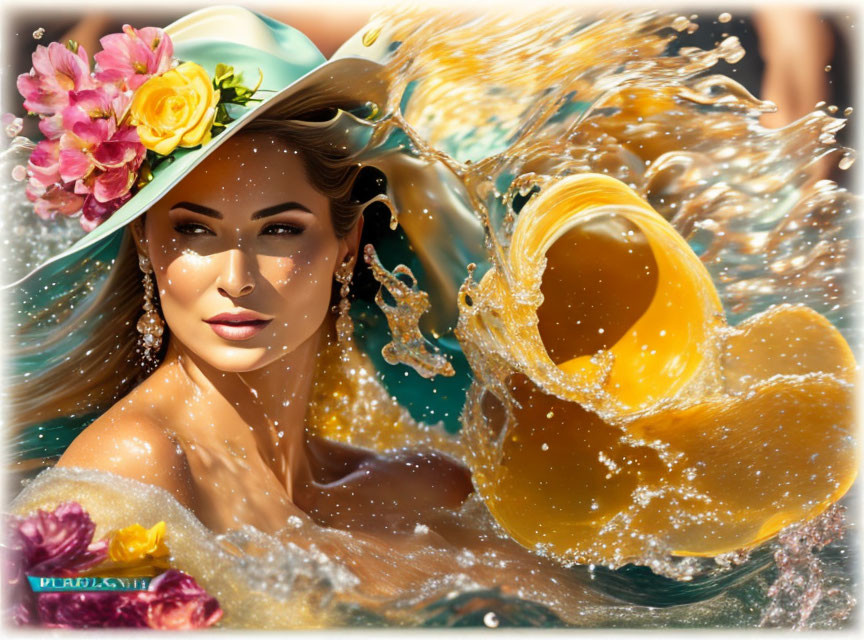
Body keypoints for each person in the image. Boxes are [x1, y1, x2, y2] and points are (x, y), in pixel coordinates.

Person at [4, 4, 858, 629]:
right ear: (150, 252)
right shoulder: (125, 475)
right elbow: (39, 601)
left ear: (347, 244)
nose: (235, 276)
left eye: (280, 231)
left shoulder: (422, 486)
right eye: (193, 232)